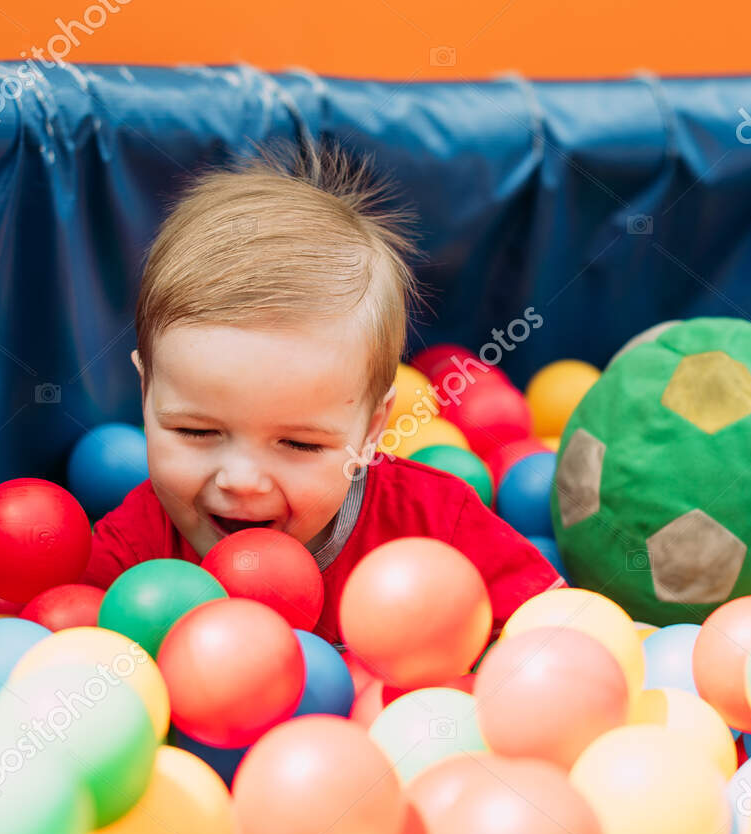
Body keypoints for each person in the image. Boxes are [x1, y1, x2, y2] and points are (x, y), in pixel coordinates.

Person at [83, 145, 563, 645]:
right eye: (196, 431)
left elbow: (558, 636)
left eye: (299, 444)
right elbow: (72, 655)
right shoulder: (134, 552)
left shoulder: (437, 526)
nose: (242, 480)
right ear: (145, 393)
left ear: (372, 429)